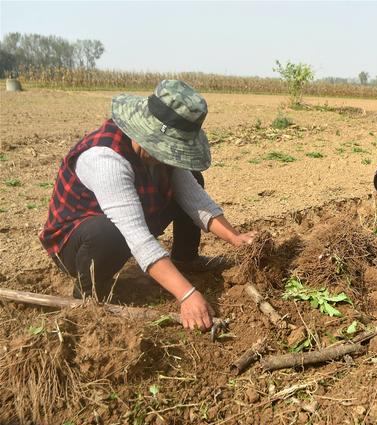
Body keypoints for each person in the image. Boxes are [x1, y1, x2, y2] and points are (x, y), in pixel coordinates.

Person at [39, 80, 256, 331]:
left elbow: (194, 198)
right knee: (108, 234)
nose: (168, 157)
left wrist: (235, 238)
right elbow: (137, 236)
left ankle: (185, 259)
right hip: (76, 244)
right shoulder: (105, 158)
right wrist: (186, 295)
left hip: (127, 221)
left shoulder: (159, 158)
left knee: (193, 177)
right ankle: (88, 292)